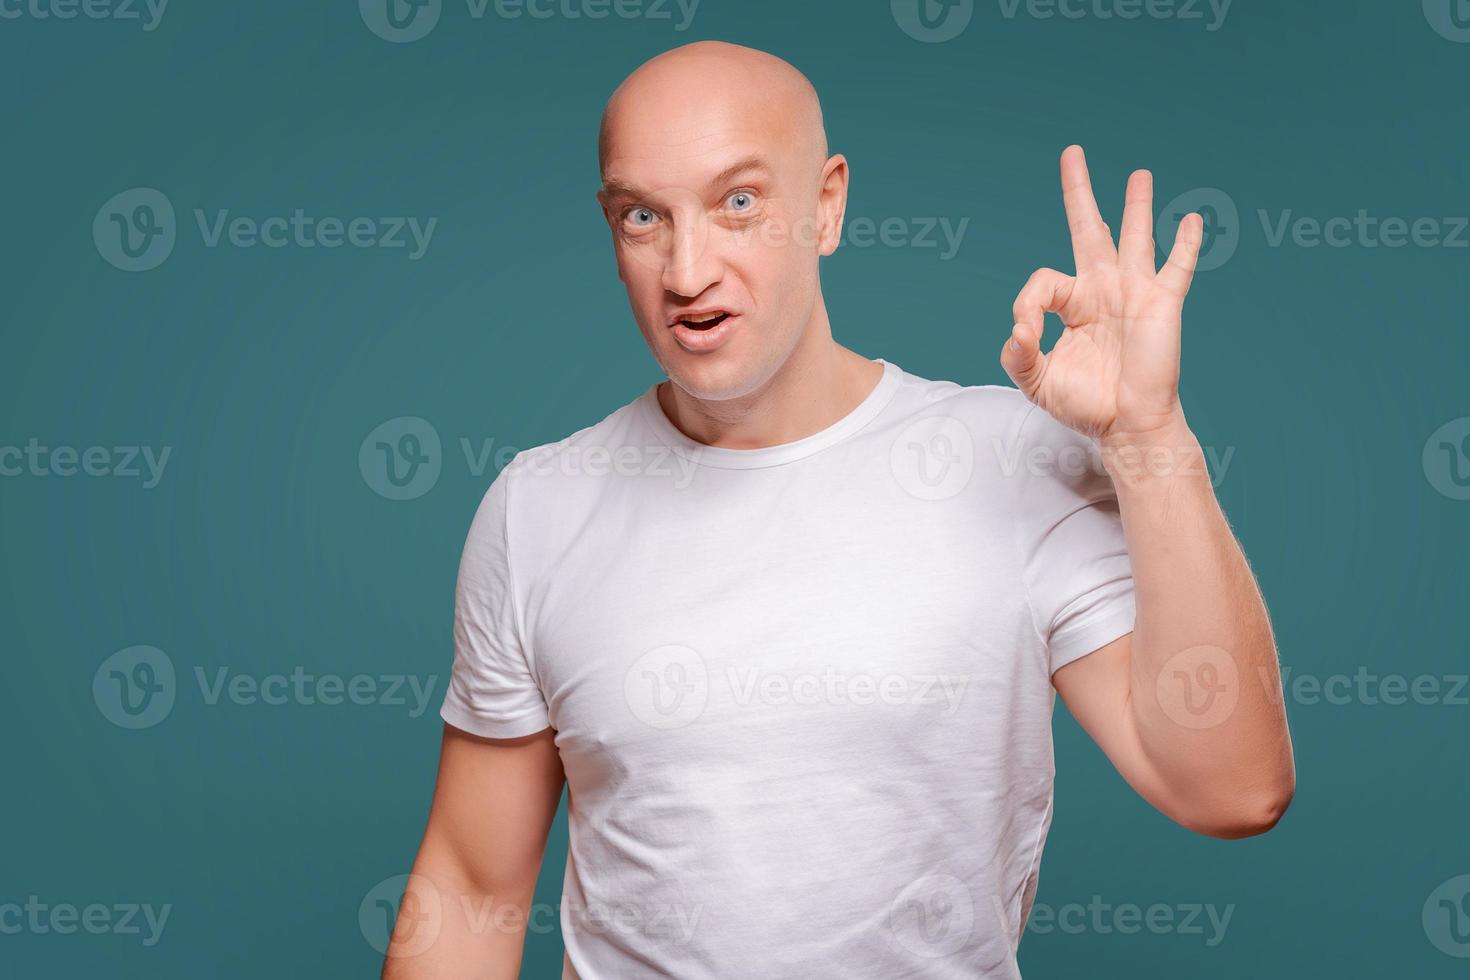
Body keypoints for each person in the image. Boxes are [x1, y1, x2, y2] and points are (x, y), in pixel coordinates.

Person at [382, 40, 1295, 980]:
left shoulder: (1009, 461)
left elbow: (1232, 789)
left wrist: (1150, 435)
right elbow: (472, 887)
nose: (688, 270)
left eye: (739, 202)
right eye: (644, 216)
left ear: (826, 205)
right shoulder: (538, 506)